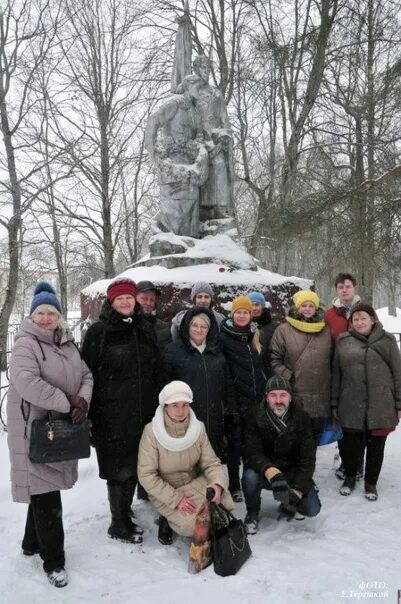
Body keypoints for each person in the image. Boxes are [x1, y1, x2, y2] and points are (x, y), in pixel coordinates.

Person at [7, 282, 93, 588]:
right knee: (47, 496)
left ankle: (31, 543)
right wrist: (66, 401)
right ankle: (54, 562)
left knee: (43, 488)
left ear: (59, 316)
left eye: (51, 312)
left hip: (60, 427)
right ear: (32, 315)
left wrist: (82, 400)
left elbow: (85, 374)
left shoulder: (67, 343)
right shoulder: (25, 344)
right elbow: (24, 380)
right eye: (40, 312)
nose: (46, 318)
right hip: (35, 429)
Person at [81, 278, 162, 545]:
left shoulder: (144, 328)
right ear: (112, 302)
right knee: (118, 469)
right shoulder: (99, 332)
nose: (126, 302)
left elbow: (155, 368)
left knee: (136, 464)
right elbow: (87, 375)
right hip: (111, 416)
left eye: (129, 297)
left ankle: (125, 512)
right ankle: (117, 522)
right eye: (120, 299)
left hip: (143, 413)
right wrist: (90, 416)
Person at [137, 381, 234, 546]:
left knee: (225, 502)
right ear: (165, 406)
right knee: (193, 524)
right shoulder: (151, 432)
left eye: (185, 405)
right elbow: (146, 475)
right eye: (175, 405)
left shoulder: (198, 428)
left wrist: (217, 485)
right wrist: (176, 499)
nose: (181, 411)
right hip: (167, 491)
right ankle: (166, 518)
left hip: (194, 482)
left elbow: (211, 463)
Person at [331, 302, 401, 500]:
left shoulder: (387, 340)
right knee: (351, 444)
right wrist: (334, 402)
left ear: (373, 319)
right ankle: (350, 477)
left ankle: (371, 483)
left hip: (381, 403)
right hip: (350, 402)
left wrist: (399, 402)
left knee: (376, 445)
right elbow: (336, 374)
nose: (360, 322)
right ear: (351, 322)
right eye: (356, 319)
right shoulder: (343, 341)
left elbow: (398, 372)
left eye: (364, 318)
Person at [242, 376, 321, 534]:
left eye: (283, 395)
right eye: (273, 395)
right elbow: (253, 452)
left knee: (312, 509)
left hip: (291, 472)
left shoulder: (302, 418)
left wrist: (298, 491)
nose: (278, 400)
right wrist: (271, 472)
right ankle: (252, 513)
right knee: (249, 477)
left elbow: (307, 459)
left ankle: (294, 500)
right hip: (265, 471)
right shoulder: (254, 416)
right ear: (266, 398)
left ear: (290, 398)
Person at [163, 307, 237, 462]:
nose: (199, 329)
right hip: (184, 420)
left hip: (214, 421)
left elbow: (228, 386)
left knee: (211, 463)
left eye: (204, 326)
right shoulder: (173, 351)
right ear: (187, 326)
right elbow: (164, 387)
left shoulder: (216, 353)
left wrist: (230, 412)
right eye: (194, 325)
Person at [145, 74, 209, 237]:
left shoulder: (196, 112)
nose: (200, 91)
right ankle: (172, 244)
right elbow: (153, 120)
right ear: (188, 86)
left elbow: (199, 137)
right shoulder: (175, 103)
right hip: (173, 164)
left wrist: (200, 152)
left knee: (190, 217)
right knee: (175, 214)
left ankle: (189, 248)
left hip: (191, 167)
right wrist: (154, 153)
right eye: (197, 87)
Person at [219, 295, 266, 501]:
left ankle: (250, 482)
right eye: (238, 312)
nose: (241, 315)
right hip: (235, 401)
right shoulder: (223, 337)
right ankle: (234, 485)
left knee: (252, 446)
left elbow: (260, 368)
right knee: (234, 448)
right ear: (232, 314)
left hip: (256, 402)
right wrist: (230, 402)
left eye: (245, 312)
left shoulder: (254, 336)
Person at [270, 290, 332, 442]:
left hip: (320, 399)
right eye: (304, 305)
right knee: (294, 443)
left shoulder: (325, 331)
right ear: (297, 308)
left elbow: (331, 361)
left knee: (313, 444)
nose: (308, 308)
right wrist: (289, 377)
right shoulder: (283, 330)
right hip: (295, 396)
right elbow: (274, 359)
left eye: (311, 305)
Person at [324, 273, 363, 481]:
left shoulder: (365, 311)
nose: (345, 290)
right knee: (342, 419)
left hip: (360, 373)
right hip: (336, 373)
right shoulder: (329, 315)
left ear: (354, 288)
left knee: (359, 422)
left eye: (348, 286)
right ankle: (346, 462)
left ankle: (358, 464)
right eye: (340, 287)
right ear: (336, 290)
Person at [192, 55, 234, 220]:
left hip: (215, 140)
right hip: (197, 140)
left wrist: (225, 137)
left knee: (220, 165)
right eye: (203, 68)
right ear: (196, 69)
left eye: (208, 69)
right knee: (199, 167)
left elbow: (225, 121)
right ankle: (199, 209)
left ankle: (216, 207)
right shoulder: (192, 93)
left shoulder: (216, 94)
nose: (206, 72)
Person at [248, 290, 278, 379]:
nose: (254, 308)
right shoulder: (244, 325)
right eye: (251, 305)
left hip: (270, 370)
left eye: (257, 305)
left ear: (262, 306)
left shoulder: (274, 327)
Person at [136, 280, 171, 352]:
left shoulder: (162, 327)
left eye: (152, 300)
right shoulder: (126, 324)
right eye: (144, 299)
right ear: (134, 299)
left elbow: (168, 355)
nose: (148, 303)